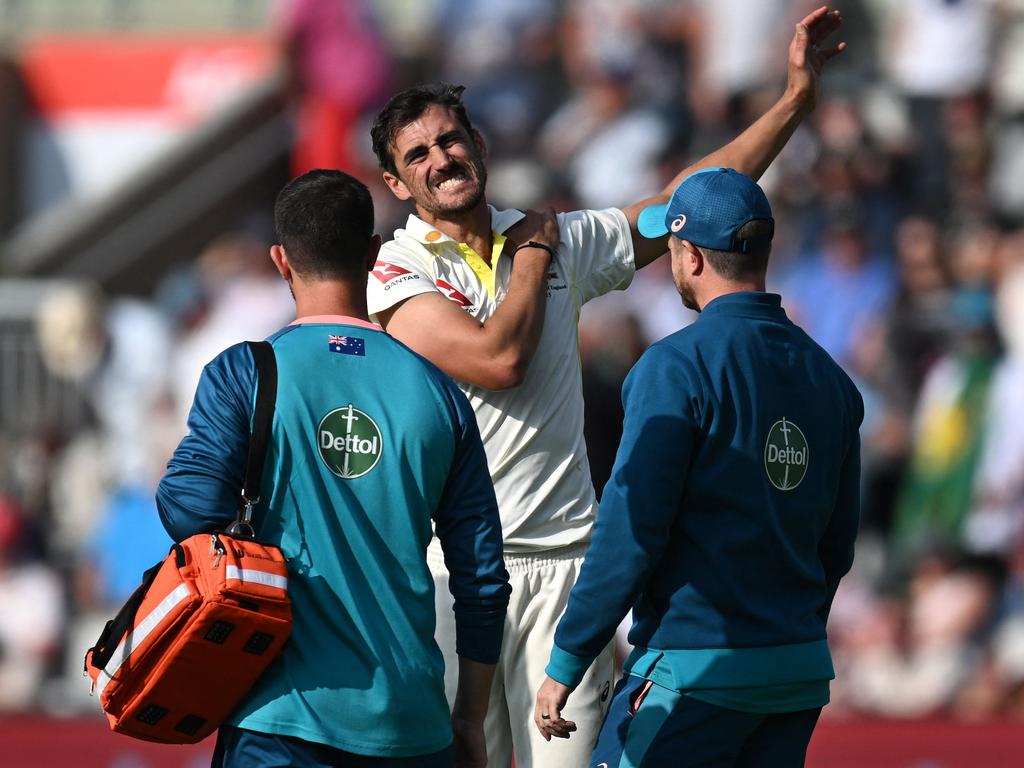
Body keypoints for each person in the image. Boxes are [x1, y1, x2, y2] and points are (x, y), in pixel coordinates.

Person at [366, 8, 845, 766]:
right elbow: (498, 361)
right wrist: (533, 255)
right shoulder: (398, 272)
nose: (442, 157)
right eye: (418, 153)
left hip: (566, 570)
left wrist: (791, 105)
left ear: (479, 143)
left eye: (451, 138)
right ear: (397, 181)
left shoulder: (558, 236)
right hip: (453, 574)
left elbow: (691, 203)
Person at [156, 170, 514, 768]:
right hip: (411, 723)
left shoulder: (245, 372)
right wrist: (469, 718)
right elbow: (481, 577)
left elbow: (190, 509)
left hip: (279, 715)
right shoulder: (439, 392)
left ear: (280, 260)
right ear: (374, 255)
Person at [534, 168, 863, 767]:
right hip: (795, 673)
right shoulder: (832, 379)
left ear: (687, 255)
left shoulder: (674, 368)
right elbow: (836, 545)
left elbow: (631, 531)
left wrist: (567, 659)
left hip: (694, 670)